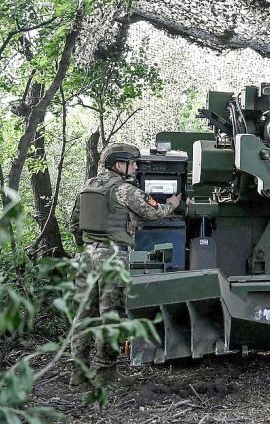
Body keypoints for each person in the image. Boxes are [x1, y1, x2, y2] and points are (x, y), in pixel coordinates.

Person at [69, 142, 181, 385]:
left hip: (85, 257)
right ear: (119, 164)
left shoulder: (87, 186)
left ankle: (78, 372)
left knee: (84, 315)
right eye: (132, 163)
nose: (136, 167)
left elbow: (74, 224)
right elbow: (154, 212)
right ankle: (105, 373)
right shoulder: (124, 190)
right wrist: (171, 204)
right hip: (112, 258)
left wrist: (89, 245)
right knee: (111, 316)